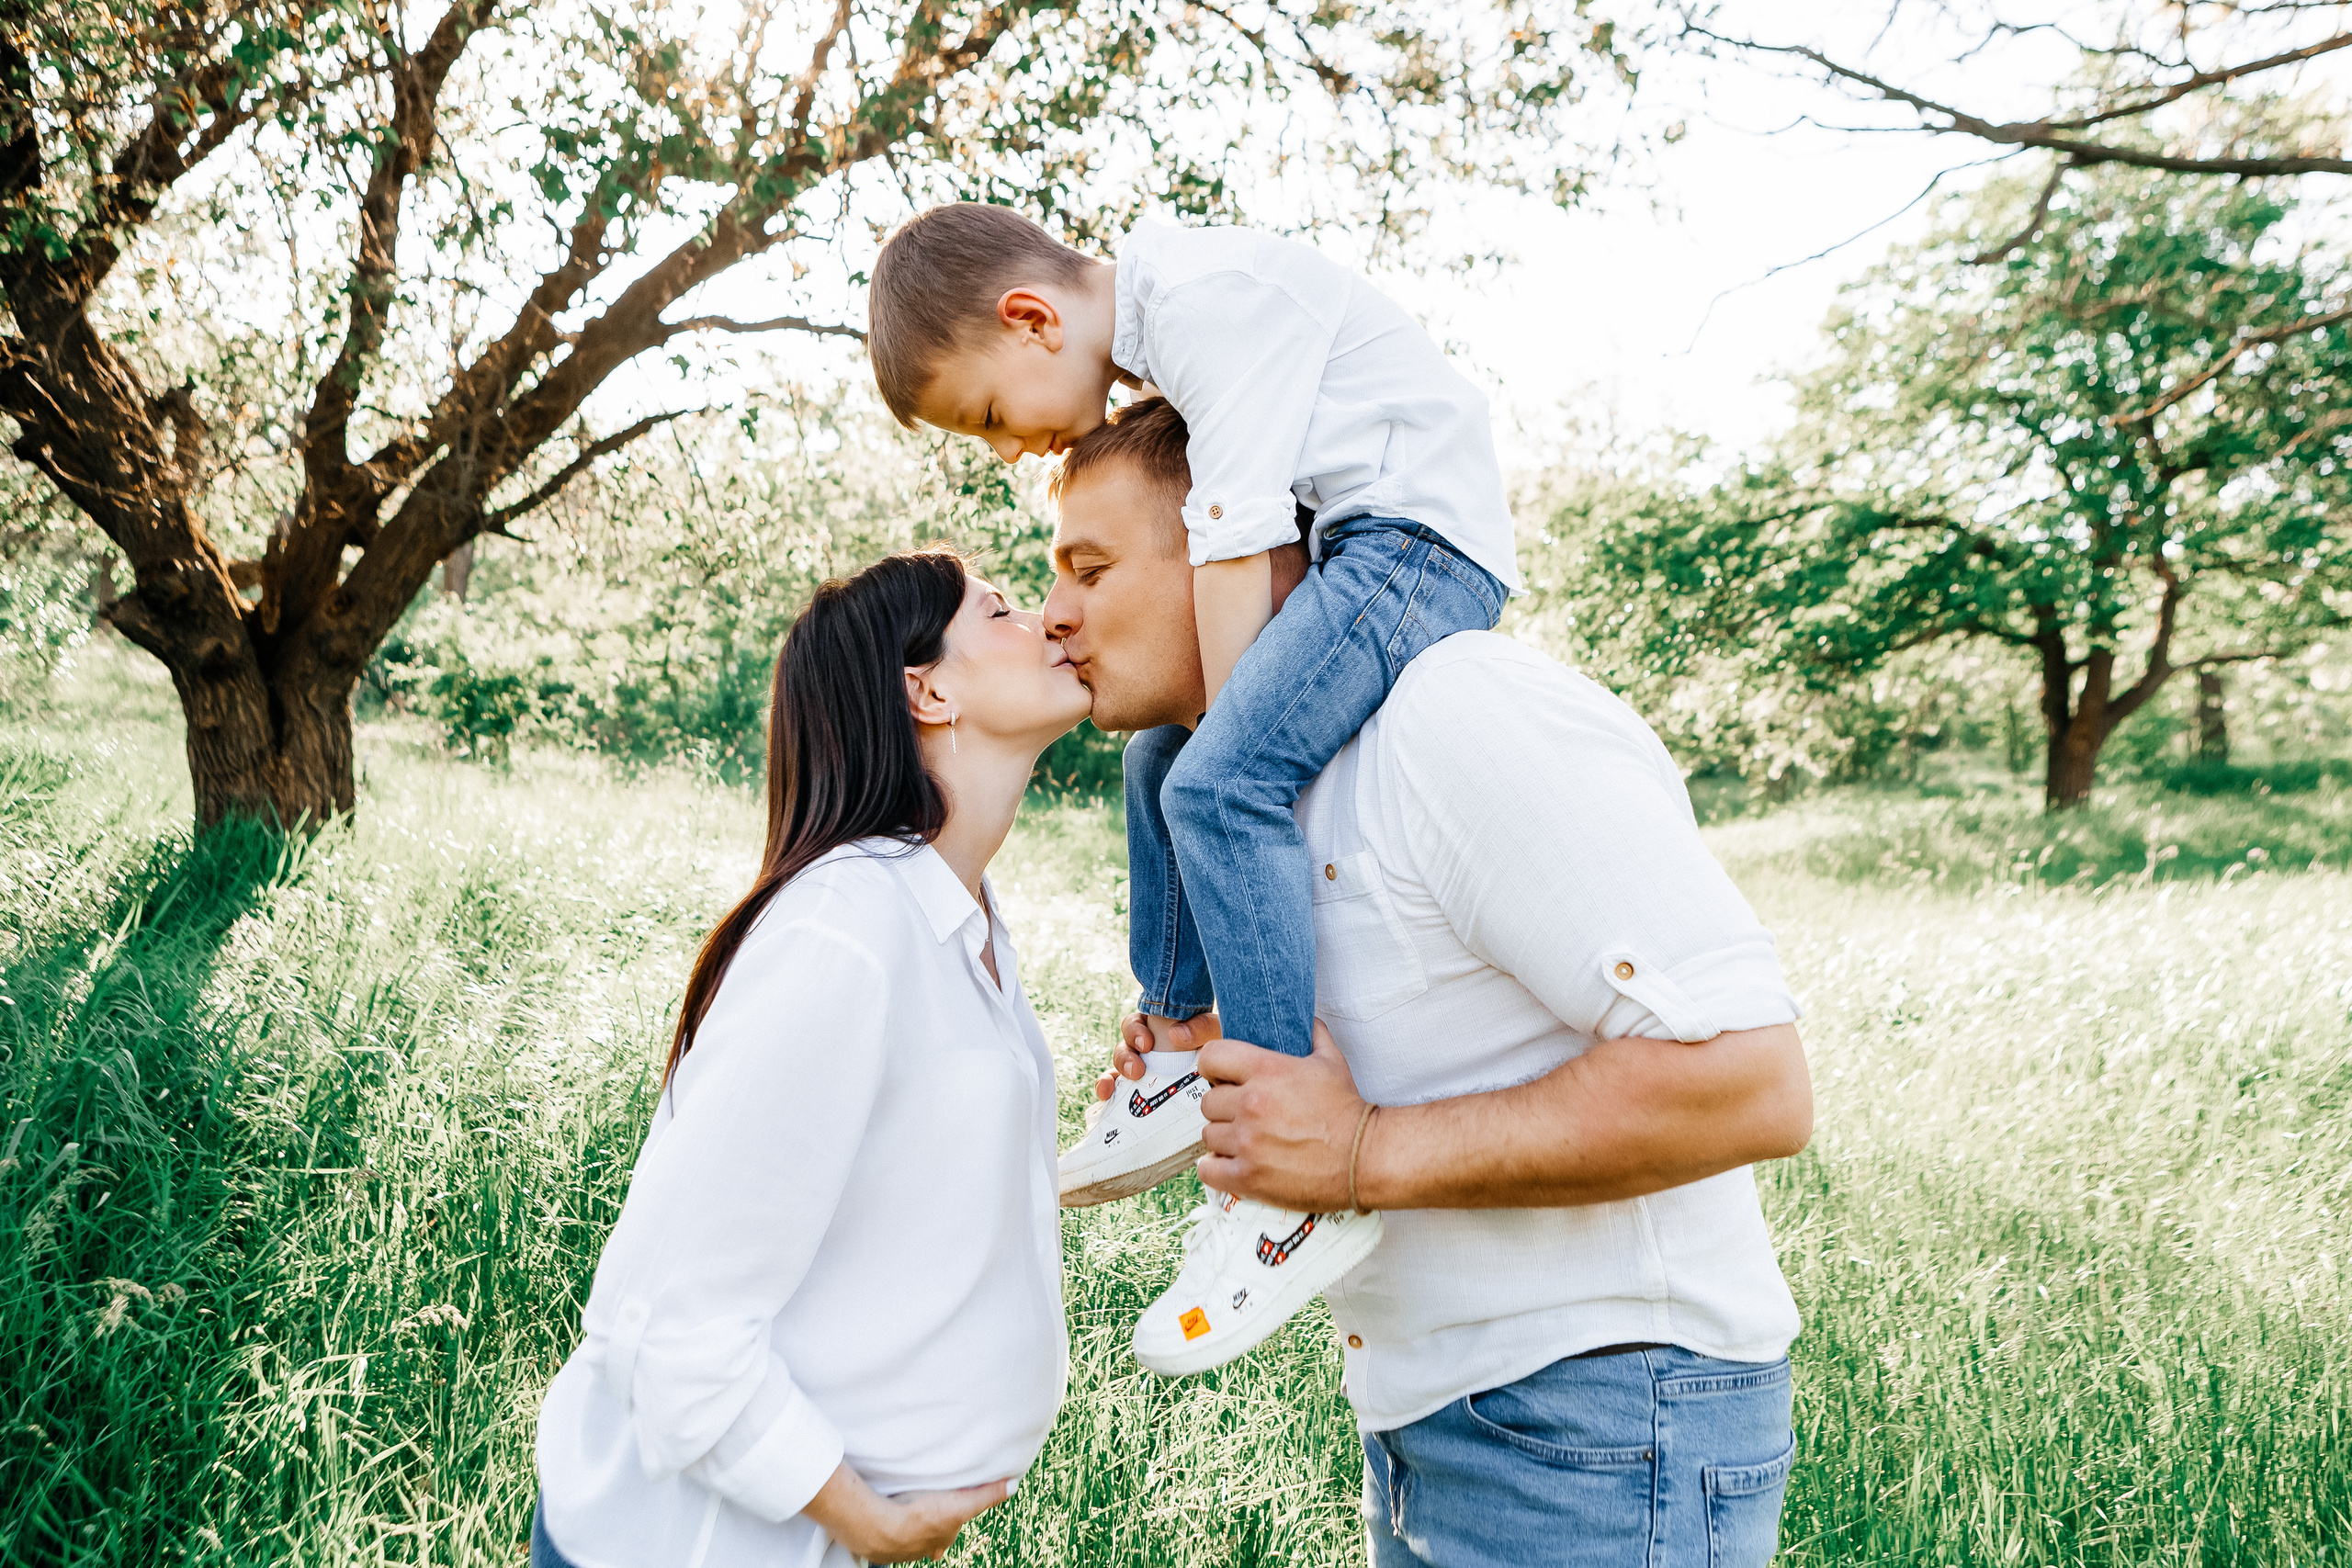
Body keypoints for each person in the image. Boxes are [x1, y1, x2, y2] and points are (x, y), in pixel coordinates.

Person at [1042, 401, 1816, 1567]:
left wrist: (1358, 1156)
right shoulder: (1255, 791)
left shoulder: (1457, 716)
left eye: (1090, 569)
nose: (1054, 614)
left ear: (1235, 550)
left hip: (1602, 1429)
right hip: (1433, 1427)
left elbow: (1750, 1084)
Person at [866, 202, 1521, 1369]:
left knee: (1217, 784)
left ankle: (1287, 1173)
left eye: (990, 415)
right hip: (1353, 550)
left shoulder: (1208, 305)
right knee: (1159, 754)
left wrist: (1231, 739)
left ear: (1031, 320)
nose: (1011, 447)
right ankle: (1174, 1049)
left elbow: (1230, 546)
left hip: (1416, 548)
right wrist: (1203, 732)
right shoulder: (1168, 323)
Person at [531, 551, 1091, 1568]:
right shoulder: (844, 932)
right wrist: (868, 1520)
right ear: (927, 690)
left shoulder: (960, 918)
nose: (1052, 621)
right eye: (1003, 610)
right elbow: (667, 1324)